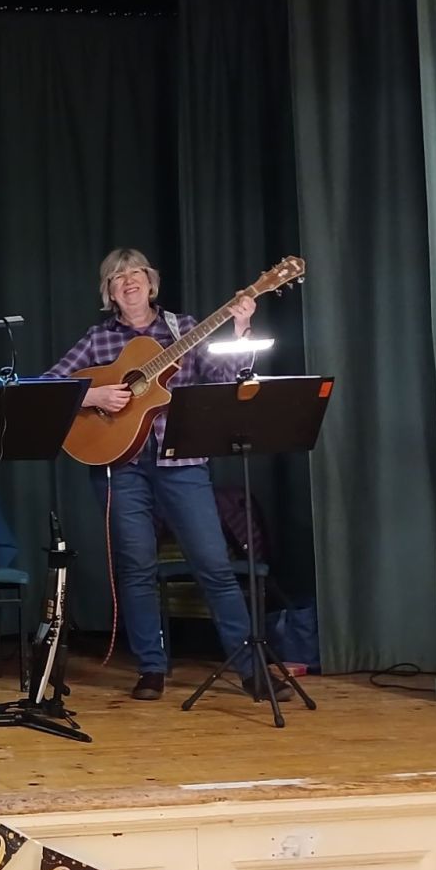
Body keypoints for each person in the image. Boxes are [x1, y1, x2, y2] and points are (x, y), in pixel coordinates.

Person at [45, 247, 274, 701]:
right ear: (108, 292)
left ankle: (252, 669)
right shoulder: (98, 340)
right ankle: (151, 667)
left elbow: (227, 377)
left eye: (135, 274)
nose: (127, 282)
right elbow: (49, 385)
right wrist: (92, 399)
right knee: (135, 568)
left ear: (152, 283)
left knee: (214, 566)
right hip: (121, 466)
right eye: (116, 277)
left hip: (182, 462)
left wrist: (240, 326)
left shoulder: (184, 329)